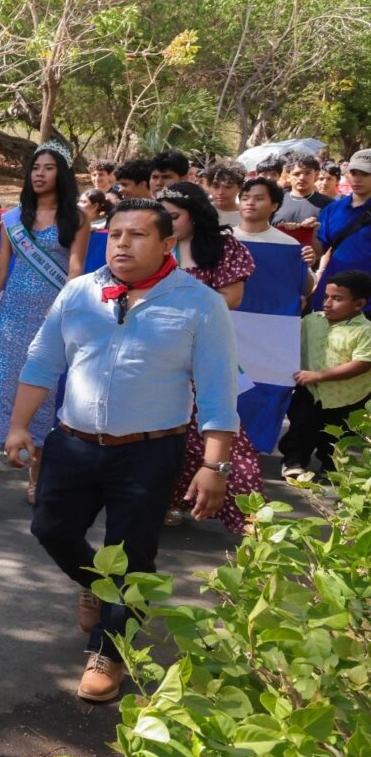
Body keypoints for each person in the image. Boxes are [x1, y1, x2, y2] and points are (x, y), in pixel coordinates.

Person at [8, 198, 238, 702]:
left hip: (149, 452)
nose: (122, 244)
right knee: (51, 527)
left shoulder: (200, 304)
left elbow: (219, 392)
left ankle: (109, 651)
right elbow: (42, 362)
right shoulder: (78, 293)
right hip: (73, 443)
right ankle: (97, 583)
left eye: (136, 235)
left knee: (135, 555)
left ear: (166, 243)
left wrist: (213, 465)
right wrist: (19, 426)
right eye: (114, 235)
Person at [0, 141, 89, 510]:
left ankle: (36, 475)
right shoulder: (13, 218)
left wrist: (65, 311)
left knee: (42, 397)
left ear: (62, 174)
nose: (39, 173)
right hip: (13, 314)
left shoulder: (78, 219)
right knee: (4, 393)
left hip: (52, 317)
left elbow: (75, 269)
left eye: (49, 167)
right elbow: (1, 269)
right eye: (35, 167)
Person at [156, 183, 263, 535]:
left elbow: (230, 298)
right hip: (156, 355)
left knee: (222, 434)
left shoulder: (223, 247)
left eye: (174, 217)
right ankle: (168, 501)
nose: (166, 223)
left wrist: (178, 304)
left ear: (196, 215)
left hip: (203, 352)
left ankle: (252, 520)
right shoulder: (152, 244)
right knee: (162, 433)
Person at [279, 270, 371, 478]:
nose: (328, 303)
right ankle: (294, 462)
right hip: (310, 390)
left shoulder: (365, 330)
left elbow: (362, 363)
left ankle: (331, 468)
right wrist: (295, 312)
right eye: (326, 297)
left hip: (347, 397)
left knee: (335, 435)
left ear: (359, 304)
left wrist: (319, 376)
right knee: (301, 427)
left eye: (337, 299)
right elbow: (289, 335)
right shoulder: (312, 320)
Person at [310, 149, 371, 313]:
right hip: (332, 297)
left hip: (366, 301)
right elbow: (318, 251)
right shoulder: (333, 209)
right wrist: (311, 234)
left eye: (365, 174)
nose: (357, 179)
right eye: (354, 172)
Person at [271, 154, 334, 245]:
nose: (302, 178)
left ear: (316, 175)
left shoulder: (329, 205)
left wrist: (318, 227)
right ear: (288, 176)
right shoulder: (275, 201)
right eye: (296, 174)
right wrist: (281, 227)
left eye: (307, 173)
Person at [203, 159, 245, 227]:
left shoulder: (248, 214)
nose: (220, 192)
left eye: (228, 187)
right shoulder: (202, 212)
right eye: (215, 187)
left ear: (240, 187)